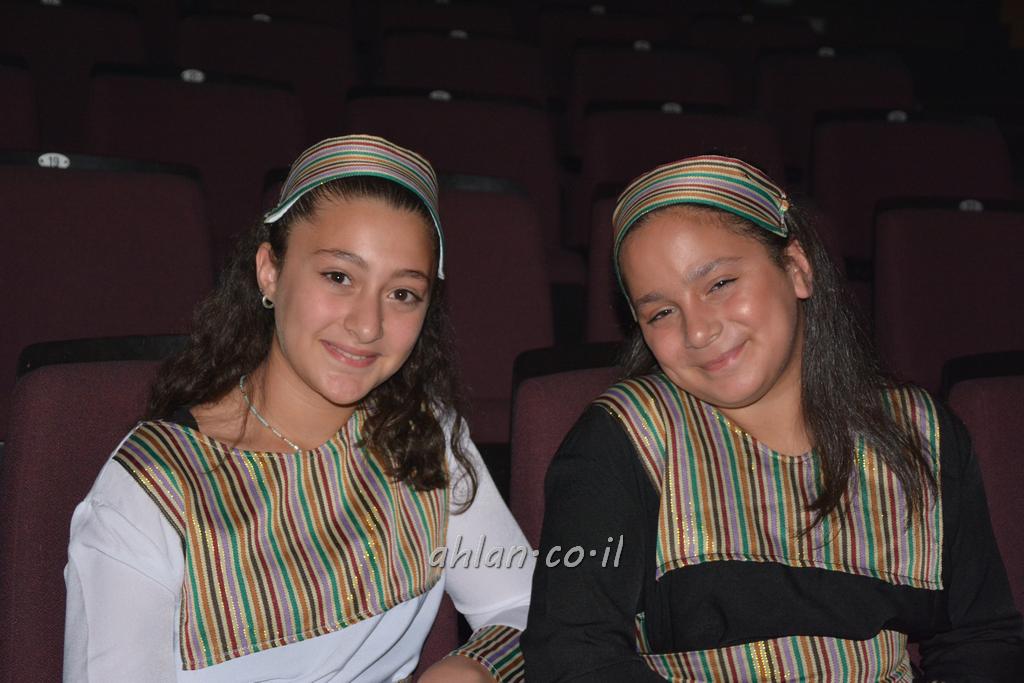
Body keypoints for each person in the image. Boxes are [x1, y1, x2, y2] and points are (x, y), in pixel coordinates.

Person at [523, 155, 1023, 680]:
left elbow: (980, 638)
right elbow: (573, 656)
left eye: (719, 284)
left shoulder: (918, 434)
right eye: (661, 312)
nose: (698, 331)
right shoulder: (624, 440)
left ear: (797, 268)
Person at [64, 135, 532, 682]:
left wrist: (472, 669)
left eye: (402, 293)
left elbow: (522, 604)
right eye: (339, 277)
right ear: (270, 270)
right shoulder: (154, 489)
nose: (367, 325)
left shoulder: (422, 437)